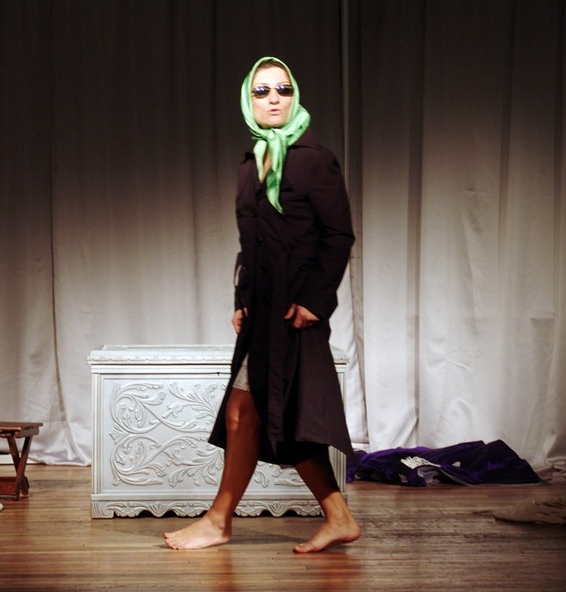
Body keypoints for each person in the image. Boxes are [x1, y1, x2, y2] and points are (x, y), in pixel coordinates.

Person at [164, 56, 360, 553]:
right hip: (262, 313)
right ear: (247, 101)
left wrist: (315, 301)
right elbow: (250, 243)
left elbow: (338, 236)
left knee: (249, 411)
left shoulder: (315, 160)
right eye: (262, 91)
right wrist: (241, 298)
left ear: (295, 97)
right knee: (260, 413)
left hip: (294, 315)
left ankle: (219, 520)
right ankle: (336, 516)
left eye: (283, 89)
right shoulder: (250, 164)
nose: (274, 98)